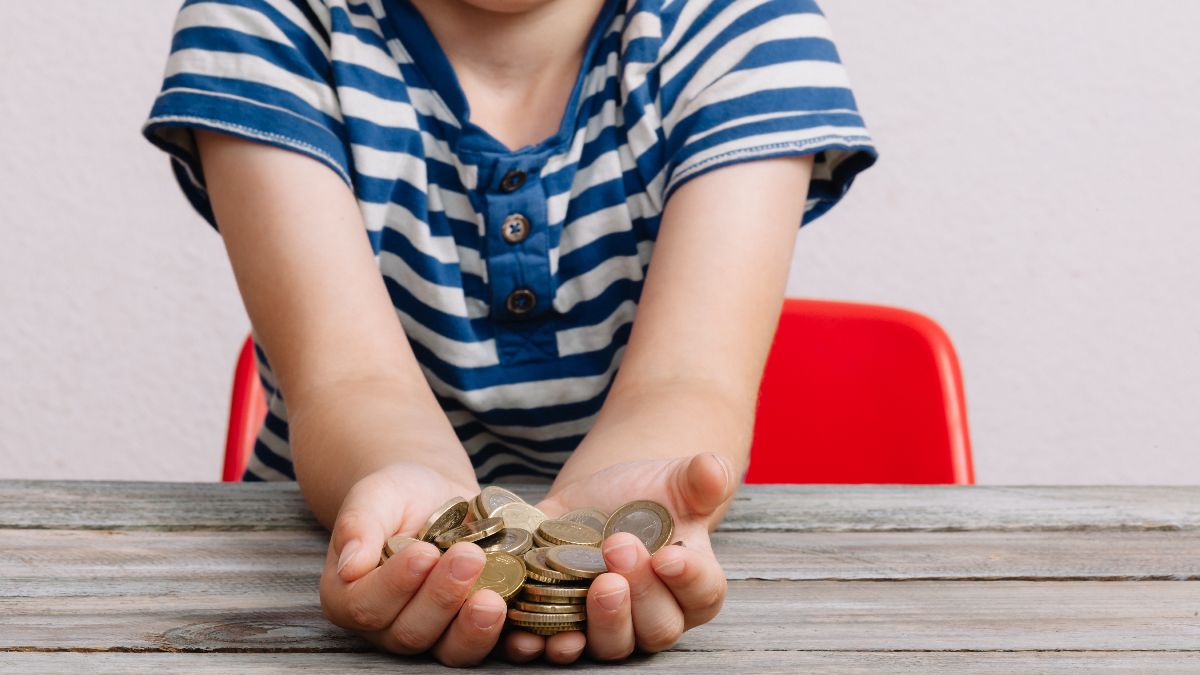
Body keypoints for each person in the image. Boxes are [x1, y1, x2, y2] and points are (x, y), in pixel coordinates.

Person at [142, 0, 876, 666]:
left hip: (654, 568)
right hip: (317, 563)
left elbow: (688, 380)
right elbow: (345, 379)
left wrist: (609, 539)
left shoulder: (745, 31)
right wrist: (427, 532)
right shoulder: (266, 24)